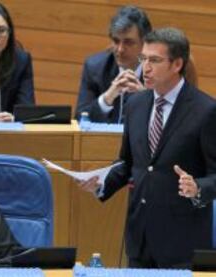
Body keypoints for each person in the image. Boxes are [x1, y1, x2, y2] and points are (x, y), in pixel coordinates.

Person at [79, 28, 216, 268]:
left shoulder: (205, 111)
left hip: (182, 244)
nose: (145, 68)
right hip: (139, 239)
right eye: (143, 59)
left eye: (154, 60)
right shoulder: (136, 104)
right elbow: (128, 164)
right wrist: (101, 182)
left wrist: (197, 188)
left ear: (177, 64)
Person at [75, 5, 152, 123]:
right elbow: (80, 119)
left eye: (128, 42)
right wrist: (106, 99)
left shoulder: (157, 70)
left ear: (144, 43)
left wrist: (147, 99)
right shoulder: (95, 68)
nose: (120, 49)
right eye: (116, 41)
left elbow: (173, 123)